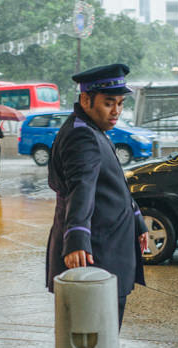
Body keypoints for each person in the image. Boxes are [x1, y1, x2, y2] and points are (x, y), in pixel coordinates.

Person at [46, 63, 149, 329]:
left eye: (120, 103)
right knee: (95, 339)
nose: (116, 111)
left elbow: (111, 185)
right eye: (108, 103)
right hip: (96, 255)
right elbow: (82, 189)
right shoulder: (83, 135)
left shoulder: (93, 130)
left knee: (102, 338)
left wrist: (137, 220)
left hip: (108, 250)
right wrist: (77, 238)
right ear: (85, 99)